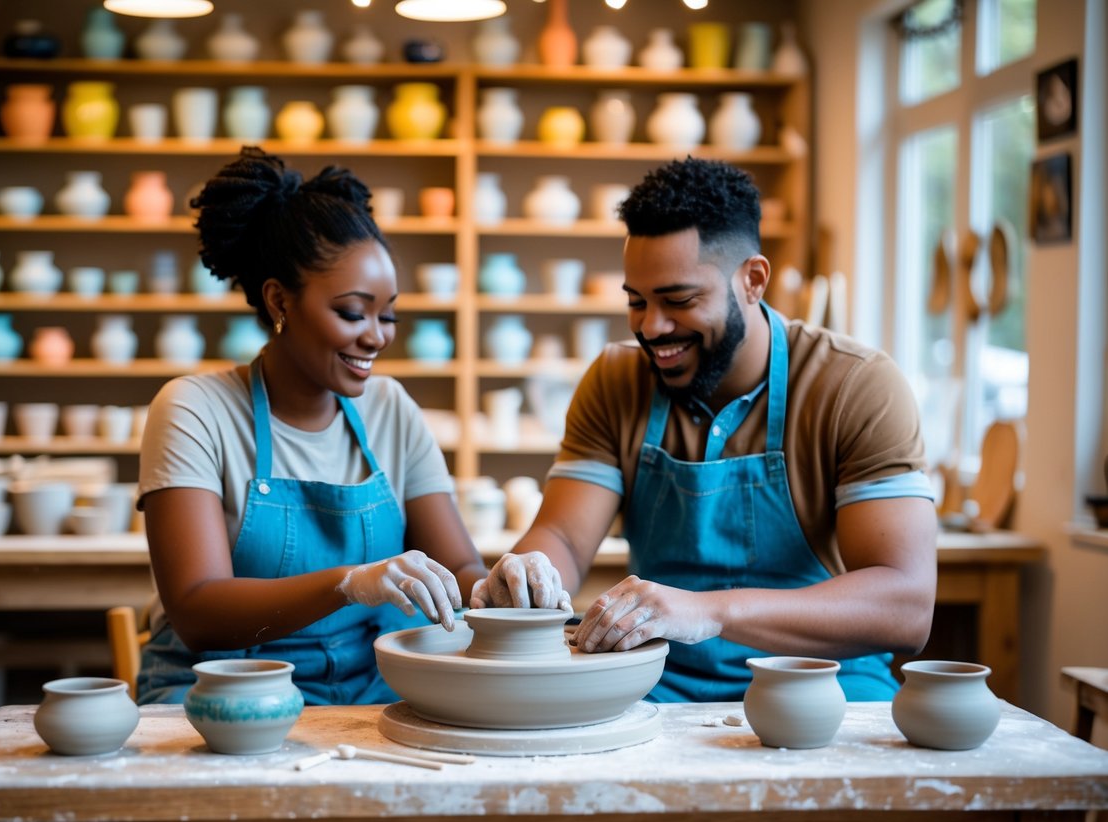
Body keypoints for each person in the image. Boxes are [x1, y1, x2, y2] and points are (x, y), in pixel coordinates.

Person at [471, 158, 937, 701]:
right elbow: (567, 542)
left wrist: (709, 611)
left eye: (679, 300)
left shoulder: (856, 385)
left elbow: (906, 607)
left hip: (822, 680)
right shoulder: (615, 379)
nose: (652, 328)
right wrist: (531, 573)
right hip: (656, 681)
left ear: (752, 280)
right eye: (636, 302)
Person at [136, 147, 487, 705]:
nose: (377, 335)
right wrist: (348, 584)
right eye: (353, 312)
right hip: (223, 692)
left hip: (368, 690)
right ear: (280, 300)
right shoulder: (194, 410)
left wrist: (505, 584)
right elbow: (197, 609)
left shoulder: (389, 408)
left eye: (388, 313)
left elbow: (462, 565)